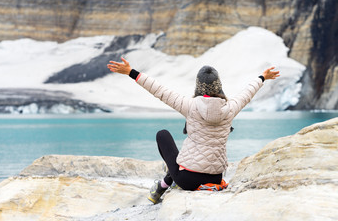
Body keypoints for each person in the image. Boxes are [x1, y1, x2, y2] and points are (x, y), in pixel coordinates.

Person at [107, 56, 280, 204]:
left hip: (187, 180)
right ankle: (166, 183)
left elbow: (159, 90)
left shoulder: (190, 106)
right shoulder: (230, 108)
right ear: (219, 86)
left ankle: (163, 185)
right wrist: (262, 77)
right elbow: (247, 93)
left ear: (198, 86)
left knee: (163, 135)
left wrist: (131, 72)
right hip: (216, 178)